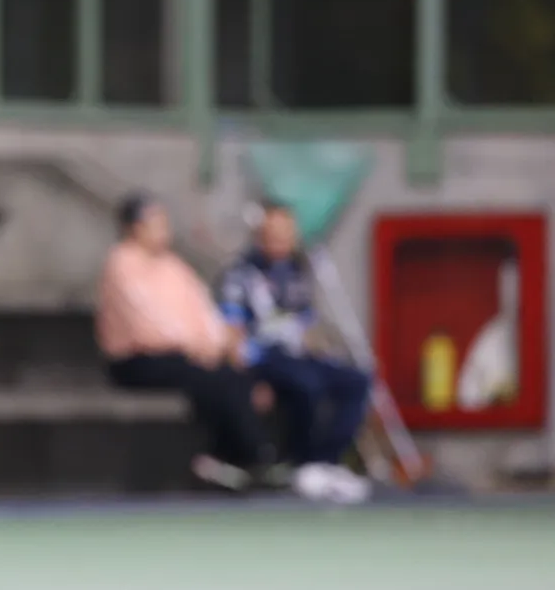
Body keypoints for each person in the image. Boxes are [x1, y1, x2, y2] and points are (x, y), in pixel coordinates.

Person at [96, 193, 271, 491]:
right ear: (134, 228)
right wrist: (195, 346)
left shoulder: (173, 265)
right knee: (211, 378)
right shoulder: (121, 264)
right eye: (155, 223)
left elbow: (202, 310)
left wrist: (215, 343)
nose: (164, 229)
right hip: (138, 359)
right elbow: (147, 322)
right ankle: (251, 456)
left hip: (186, 354)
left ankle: (229, 458)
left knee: (233, 375)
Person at [219, 201, 372, 504]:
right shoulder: (240, 276)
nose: (282, 240)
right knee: (307, 385)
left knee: (356, 380)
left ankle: (326, 463)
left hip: (298, 356)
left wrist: (324, 353)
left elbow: (307, 326)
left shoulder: (296, 272)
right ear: (260, 235)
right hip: (264, 359)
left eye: (287, 233)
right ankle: (304, 464)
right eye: (274, 233)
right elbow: (232, 334)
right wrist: (247, 380)